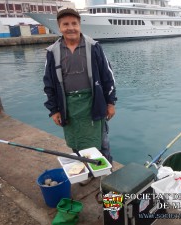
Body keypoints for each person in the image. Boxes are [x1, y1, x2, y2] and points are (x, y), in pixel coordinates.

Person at [43, 7, 117, 167]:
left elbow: (108, 77)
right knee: (76, 141)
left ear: (79, 25)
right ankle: (86, 169)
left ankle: (105, 170)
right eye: (65, 24)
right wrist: (54, 110)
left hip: (94, 102)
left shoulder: (94, 47)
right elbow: (49, 84)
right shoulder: (52, 52)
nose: (70, 27)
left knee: (101, 140)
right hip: (67, 105)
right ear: (59, 27)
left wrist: (110, 103)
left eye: (74, 23)